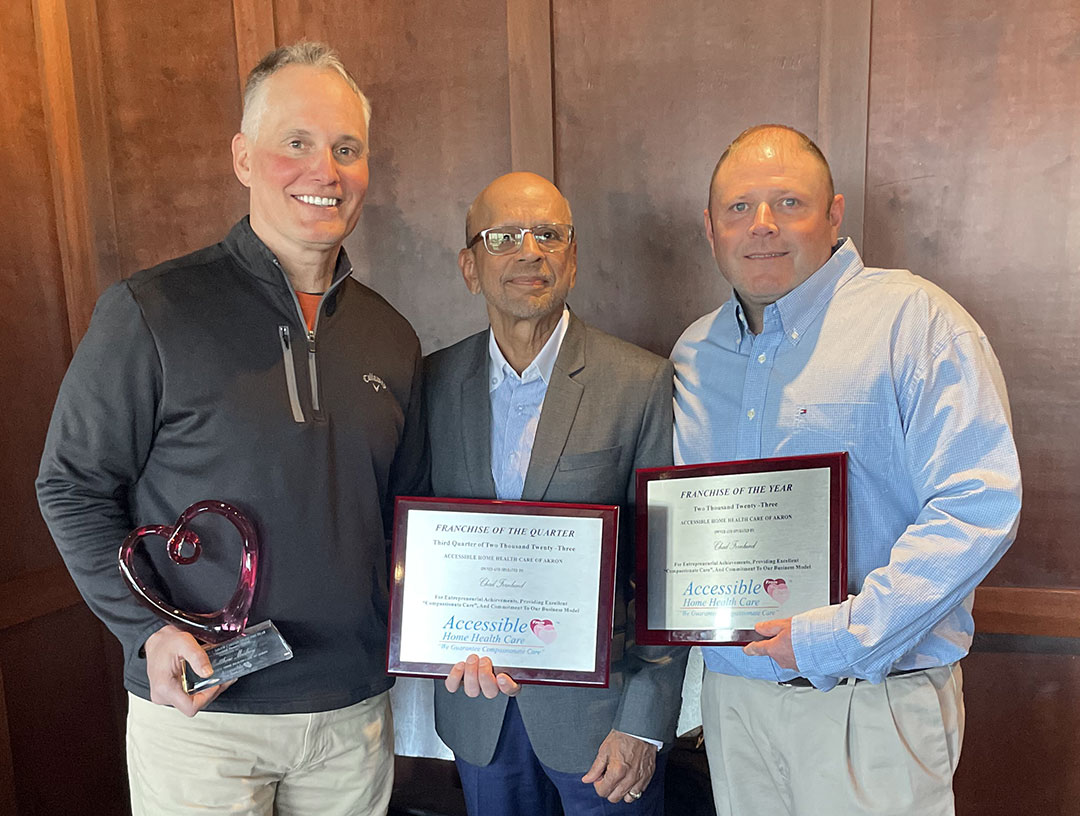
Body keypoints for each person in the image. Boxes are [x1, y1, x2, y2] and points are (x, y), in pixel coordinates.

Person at [35, 43, 426, 815]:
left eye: (347, 149)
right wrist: (143, 631)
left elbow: (408, 519)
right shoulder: (150, 311)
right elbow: (70, 485)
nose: (326, 170)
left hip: (352, 715)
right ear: (244, 158)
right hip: (203, 716)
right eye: (297, 143)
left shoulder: (393, 337)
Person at [671, 123, 1022, 815]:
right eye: (739, 208)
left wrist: (837, 637)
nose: (762, 226)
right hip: (735, 704)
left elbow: (979, 506)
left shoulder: (916, 322)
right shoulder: (695, 352)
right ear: (710, 228)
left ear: (833, 215)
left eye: (789, 204)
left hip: (871, 706)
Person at [425, 172, 688, 815]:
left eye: (549, 234)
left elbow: (667, 565)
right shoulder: (432, 382)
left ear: (573, 259)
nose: (529, 251)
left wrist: (645, 720)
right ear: (470, 266)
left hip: (604, 724)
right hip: (478, 712)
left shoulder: (640, 382)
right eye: (504, 236)